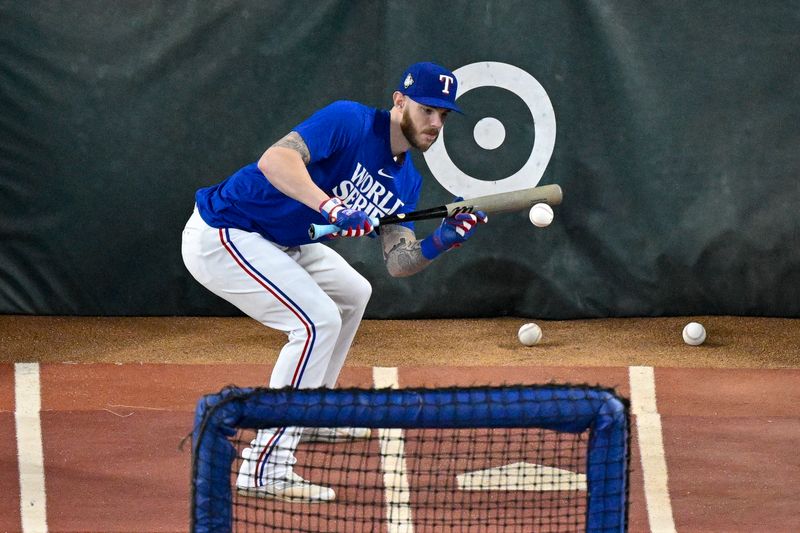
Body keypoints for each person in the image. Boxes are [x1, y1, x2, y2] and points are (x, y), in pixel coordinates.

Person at [181, 62, 488, 503]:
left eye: (444, 115)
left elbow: (399, 262)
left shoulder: (407, 180)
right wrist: (331, 207)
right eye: (427, 110)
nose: (436, 123)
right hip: (226, 230)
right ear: (399, 101)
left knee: (354, 293)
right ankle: (265, 466)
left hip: (281, 239)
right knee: (316, 321)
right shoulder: (350, 120)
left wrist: (442, 239)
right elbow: (275, 159)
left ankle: (312, 413)